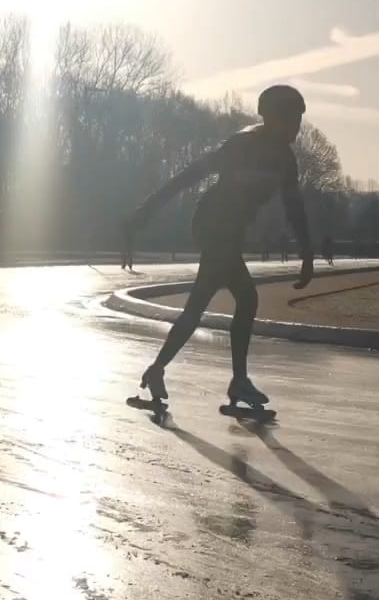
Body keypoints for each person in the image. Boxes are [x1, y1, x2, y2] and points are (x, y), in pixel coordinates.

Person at [122, 84, 313, 411]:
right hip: (212, 225)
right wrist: (147, 210)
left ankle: (158, 370)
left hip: (231, 232)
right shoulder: (243, 144)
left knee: (201, 306)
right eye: (290, 118)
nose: (296, 126)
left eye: (299, 119)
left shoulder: (285, 159)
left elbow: (294, 207)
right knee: (244, 299)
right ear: (269, 117)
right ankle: (235, 380)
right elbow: (189, 176)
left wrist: (307, 254)